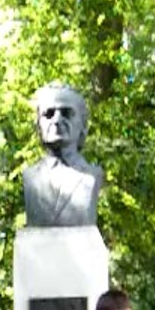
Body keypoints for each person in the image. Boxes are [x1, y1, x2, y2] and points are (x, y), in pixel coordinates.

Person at [23, 83, 104, 228]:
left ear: (83, 126)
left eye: (66, 113)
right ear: (38, 127)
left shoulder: (92, 176)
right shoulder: (30, 177)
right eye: (48, 114)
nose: (56, 120)